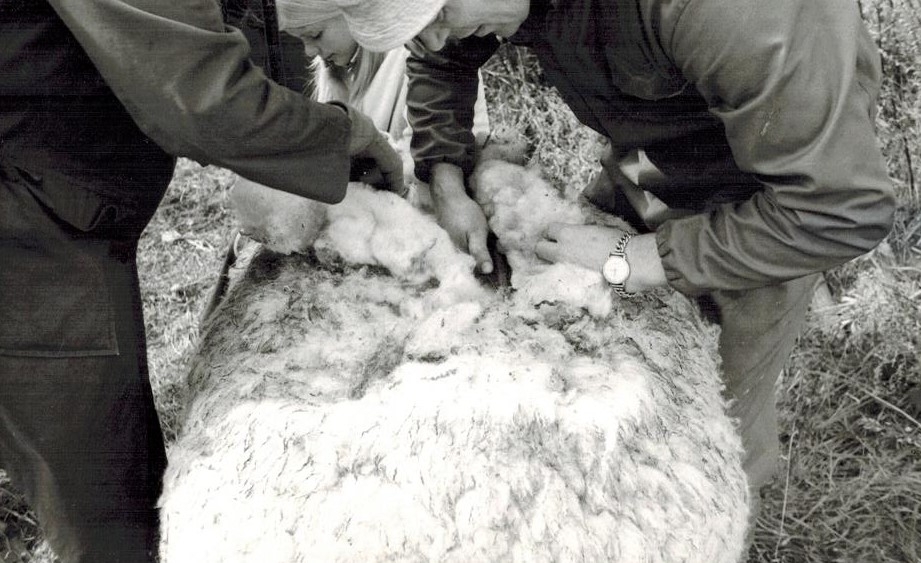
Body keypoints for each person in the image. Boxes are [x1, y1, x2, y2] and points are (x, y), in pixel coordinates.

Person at [323, 0, 897, 548]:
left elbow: (837, 211)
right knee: (589, 391)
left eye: (439, 15)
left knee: (709, 427)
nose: (429, 38)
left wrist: (633, 258)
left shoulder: (732, 12)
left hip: (764, 206)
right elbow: (441, 51)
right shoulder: (470, 13)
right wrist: (445, 174)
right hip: (652, 150)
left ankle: (708, 529)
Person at [0, 1, 404, 561]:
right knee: (110, 512)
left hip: (56, 206)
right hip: (25, 231)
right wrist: (343, 136)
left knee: (114, 468)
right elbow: (198, 97)